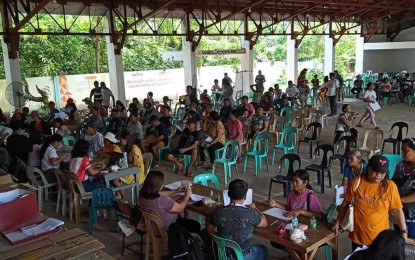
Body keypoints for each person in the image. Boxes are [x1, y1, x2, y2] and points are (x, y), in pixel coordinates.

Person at [333, 155, 412, 250]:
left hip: (380, 239)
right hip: (359, 237)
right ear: (368, 168)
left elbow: (397, 211)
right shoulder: (357, 182)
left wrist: (404, 233)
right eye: (375, 171)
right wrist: (337, 222)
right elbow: (345, 203)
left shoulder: (390, 187)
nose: (378, 175)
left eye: (382, 172)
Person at [138, 170, 201, 257]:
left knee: (185, 221)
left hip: (151, 228)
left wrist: (176, 191)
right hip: (166, 229)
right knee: (196, 225)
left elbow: (159, 194)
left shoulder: (142, 195)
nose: (162, 186)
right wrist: (187, 195)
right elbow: (180, 208)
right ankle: (187, 250)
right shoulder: (161, 200)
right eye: (161, 184)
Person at [207, 179, 268, 260]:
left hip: (222, 254)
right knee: (263, 249)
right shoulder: (251, 213)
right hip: (244, 256)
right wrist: (256, 208)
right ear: (245, 196)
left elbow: (209, 229)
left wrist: (222, 239)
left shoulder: (217, 212)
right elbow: (265, 223)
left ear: (228, 194)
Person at [393, 138, 415, 224]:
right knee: (398, 234)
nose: (402, 153)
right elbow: (393, 182)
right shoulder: (401, 164)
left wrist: (398, 200)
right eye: (402, 150)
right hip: (397, 210)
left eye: (406, 150)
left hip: (412, 214)